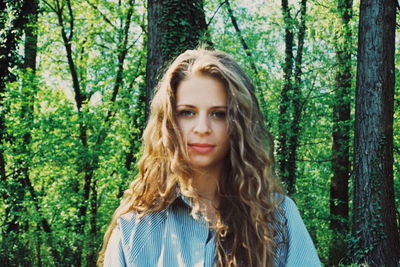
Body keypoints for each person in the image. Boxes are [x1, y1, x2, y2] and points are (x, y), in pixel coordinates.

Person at [98, 49, 321, 267]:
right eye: (187, 112)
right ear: (168, 122)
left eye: (218, 114)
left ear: (239, 124)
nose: (202, 128)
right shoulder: (135, 229)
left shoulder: (280, 218)